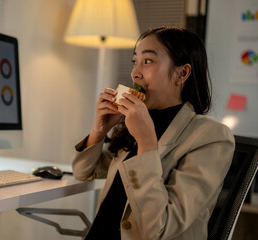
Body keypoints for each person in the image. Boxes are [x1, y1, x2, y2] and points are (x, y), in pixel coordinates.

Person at [72, 26, 235, 240]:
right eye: (135, 62)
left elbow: (160, 228)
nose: (135, 73)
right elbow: (83, 171)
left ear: (182, 73)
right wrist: (100, 130)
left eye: (147, 61)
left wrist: (146, 142)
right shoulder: (136, 122)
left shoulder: (212, 136)